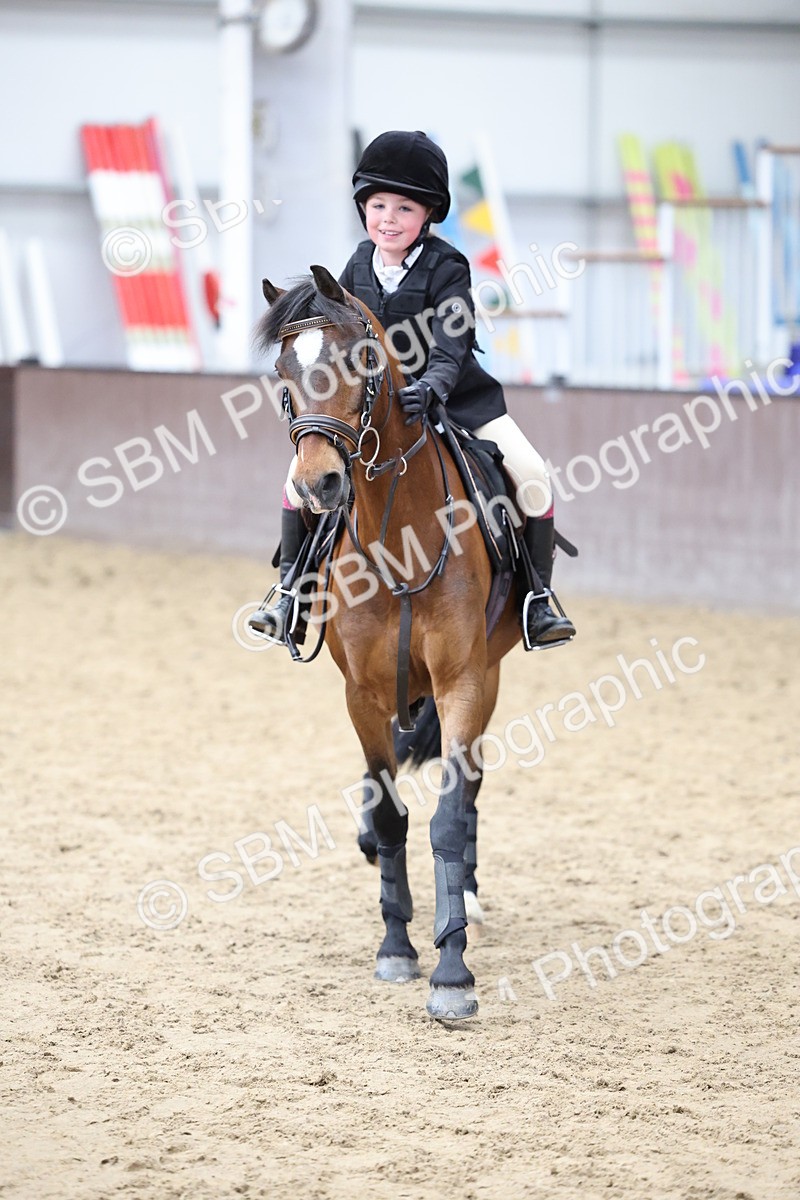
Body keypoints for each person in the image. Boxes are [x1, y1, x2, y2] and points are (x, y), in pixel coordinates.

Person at [250, 129, 576, 649]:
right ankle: (290, 593)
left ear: (427, 215)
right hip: (378, 411)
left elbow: (452, 346)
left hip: (458, 401)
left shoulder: (449, 267)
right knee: (297, 483)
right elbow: (336, 343)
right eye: (378, 205)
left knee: (534, 474)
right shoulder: (356, 266)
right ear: (364, 210)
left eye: (404, 208)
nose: (388, 218)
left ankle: (538, 600)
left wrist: (431, 388)